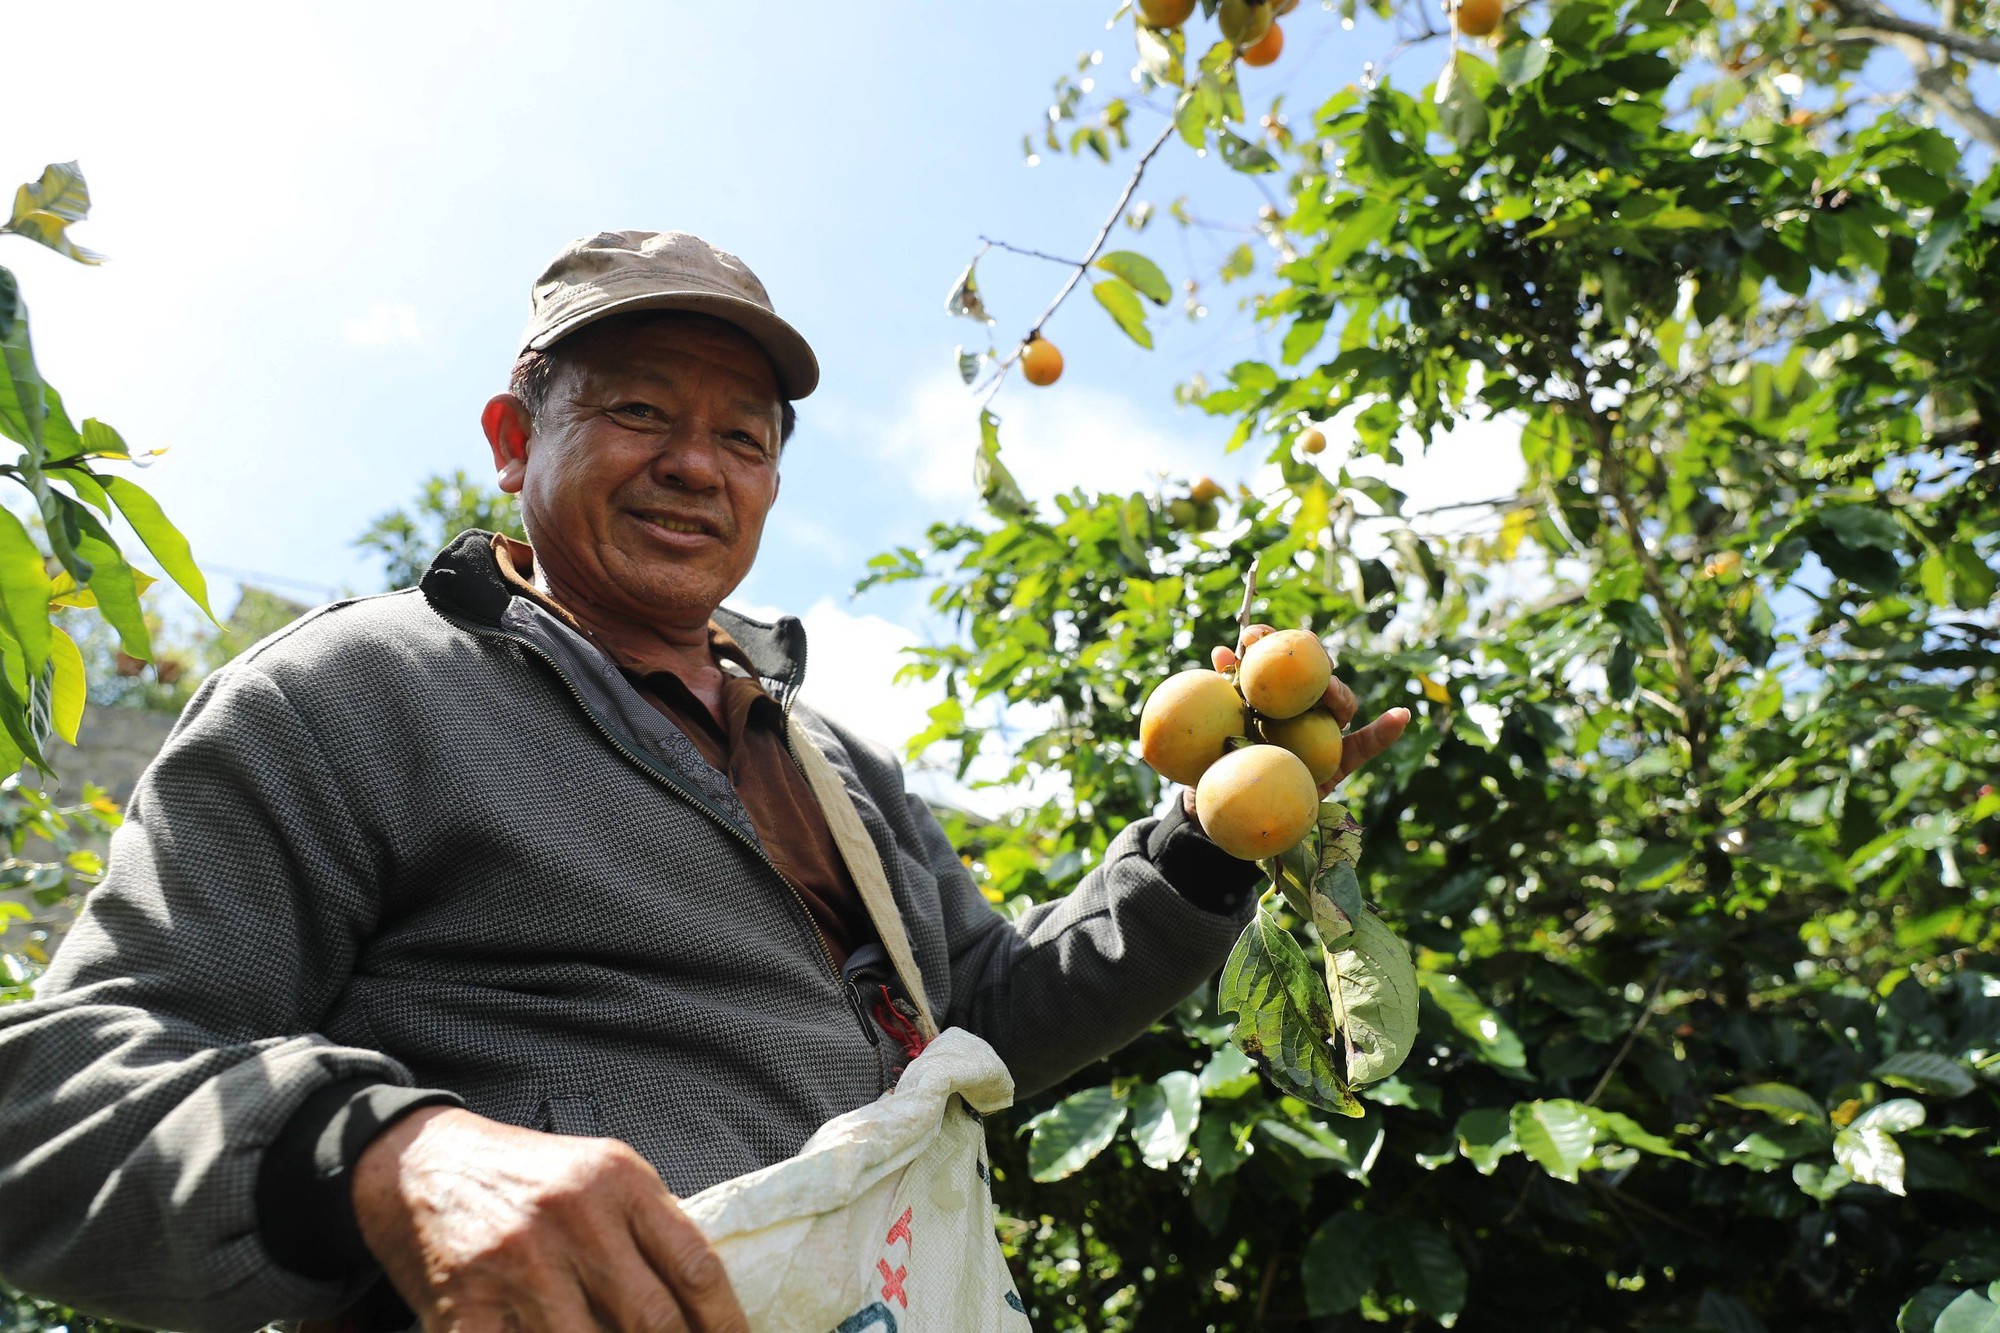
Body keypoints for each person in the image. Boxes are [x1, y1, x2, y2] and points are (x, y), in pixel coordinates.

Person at [0, 231, 1408, 1332]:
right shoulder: (353, 696)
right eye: (637, 411)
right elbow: (49, 1106)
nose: (694, 465)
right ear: (512, 437)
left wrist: (1208, 844)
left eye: (743, 437)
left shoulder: (833, 763)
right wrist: (388, 1157)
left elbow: (984, 1019)